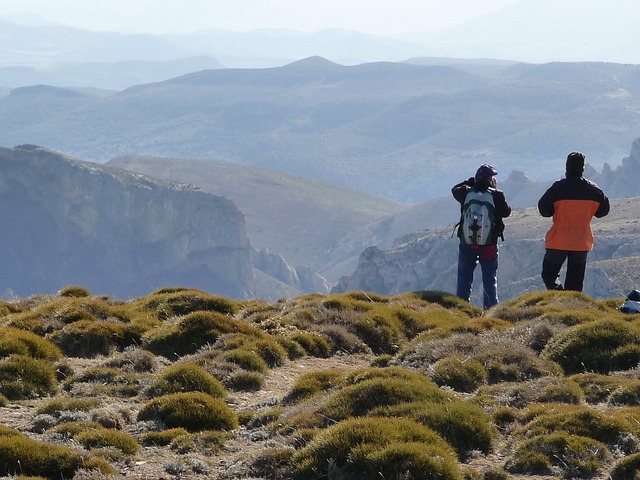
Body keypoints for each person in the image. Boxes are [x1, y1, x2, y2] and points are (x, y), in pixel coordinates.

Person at [538, 151, 610, 291]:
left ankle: (558, 297)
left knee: (549, 275)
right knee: (575, 282)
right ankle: (571, 306)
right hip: (581, 241)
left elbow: (543, 210)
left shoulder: (558, 187)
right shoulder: (594, 190)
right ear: (583, 168)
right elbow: (603, 211)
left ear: (567, 167)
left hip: (559, 239)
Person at [452, 164, 511, 309]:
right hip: (489, 244)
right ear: (490, 179)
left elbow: (454, 189)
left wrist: (472, 182)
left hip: (467, 242)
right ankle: (490, 310)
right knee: (489, 279)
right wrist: (495, 189)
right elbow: (506, 212)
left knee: (464, 278)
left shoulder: (465, 192)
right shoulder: (496, 195)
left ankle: (461, 309)